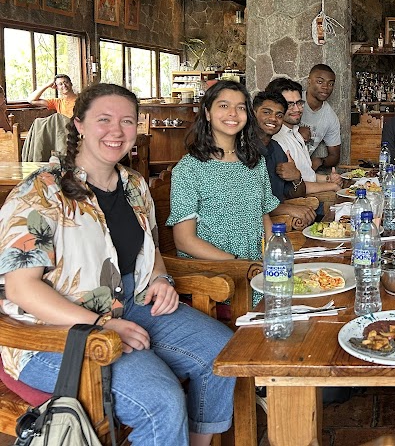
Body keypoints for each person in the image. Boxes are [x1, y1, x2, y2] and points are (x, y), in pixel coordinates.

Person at [0, 83, 235, 445]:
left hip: (129, 303)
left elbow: (150, 247)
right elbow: (21, 287)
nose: (117, 131)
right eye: (104, 120)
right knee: (161, 399)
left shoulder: (134, 185)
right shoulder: (41, 192)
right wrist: (101, 323)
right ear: (78, 124)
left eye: (127, 121)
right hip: (53, 332)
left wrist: (159, 279)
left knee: (222, 352)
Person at [168, 80, 278, 262]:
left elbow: (263, 215)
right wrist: (237, 264)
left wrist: (273, 256)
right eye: (224, 105)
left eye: (240, 107)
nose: (233, 113)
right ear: (207, 113)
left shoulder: (255, 162)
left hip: (256, 269)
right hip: (216, 276)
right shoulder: (189, 169)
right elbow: (184, 241)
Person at [265, 76, 343, 194]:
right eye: (290, 104)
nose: (297, 109)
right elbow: (291, 187)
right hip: (303, 202)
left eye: (299, 103)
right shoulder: (276, 141)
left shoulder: (296, 133)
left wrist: (328, 179)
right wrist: (331, 186)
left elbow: (307, 175)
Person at [253, 90, 316, 227]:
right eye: (266, 112)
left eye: (279, 115)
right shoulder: (242, 150)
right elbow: (250, 204)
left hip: (277, 225)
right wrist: (289, 209)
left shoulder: (277, 149)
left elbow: (297, 194)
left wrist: (296, 177)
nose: (273, 119)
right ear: (253, 113)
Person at [300, 64, 341, 170]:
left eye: (330, 83)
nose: (325, 87)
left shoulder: (330, 118)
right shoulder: (294, 101)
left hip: (302, 170)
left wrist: (320, 161)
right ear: (309, 81)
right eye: (320, 81)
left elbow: (335, 156)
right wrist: (296, 131)